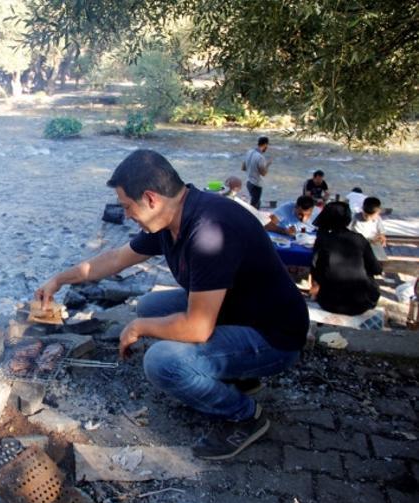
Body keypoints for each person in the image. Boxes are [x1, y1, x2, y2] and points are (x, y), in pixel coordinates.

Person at [36, 149, 308, 460]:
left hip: (274, 337)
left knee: (161, 361)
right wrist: (59, 279)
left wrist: (139, 328)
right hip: (241, 312)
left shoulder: (208, 233)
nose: (125, 215)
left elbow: (198, 328)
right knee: (150, 305)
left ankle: (244, 415)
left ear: (151, 199)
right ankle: (238, 376)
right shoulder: (172, 218)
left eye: (127, 207)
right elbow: (113, 259)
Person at [311, 202, 381, 315]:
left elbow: (316, 269)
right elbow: (376, 269)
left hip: (330, 302)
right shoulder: (359, 239)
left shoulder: (322, 240)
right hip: (361, 303)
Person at [350, 196, 387, 260]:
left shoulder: (378, 219)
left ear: (378, 212)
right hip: (357, 242)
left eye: (371, 216)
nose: (368, 218)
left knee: (380, 258)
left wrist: (382, 237)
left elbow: (381, 232)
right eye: (365, 215)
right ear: (362, 209)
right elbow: (348, 229)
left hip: (373, 242)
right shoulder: (356, 217)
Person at [241, 136, 272, 209]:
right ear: (265, 145)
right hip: (256, 185)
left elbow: (243, 168)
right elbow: (263, 173)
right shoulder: (260, 157)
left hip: (248, 182)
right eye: (267, 145)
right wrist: (267, 165)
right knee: (254, 207)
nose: (267, 147)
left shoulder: (249, 152)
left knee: (255, 203)